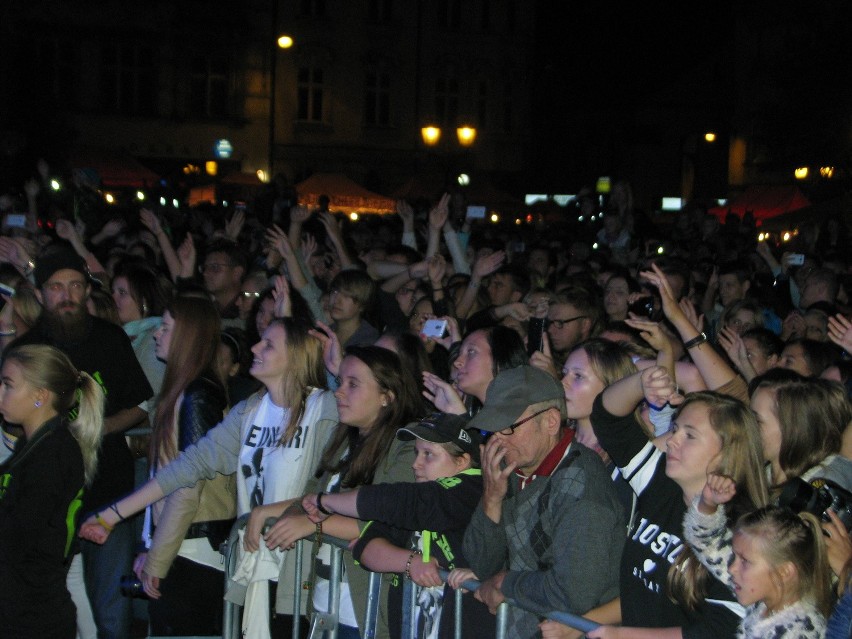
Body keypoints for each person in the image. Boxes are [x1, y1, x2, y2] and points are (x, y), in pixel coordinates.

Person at [79, 318, 338, 638]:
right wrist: (112, 514)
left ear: (297, 357)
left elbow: (336, 486)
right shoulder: (251, 410)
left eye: (268, 344)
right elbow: (187, 467)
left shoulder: (323, 408)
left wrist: (337, 370)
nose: (255, 347)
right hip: (256, 565)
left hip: (301, 568)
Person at [6, 245, 154, 639]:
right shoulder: (27, 350)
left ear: (87, 291)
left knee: (110, 613)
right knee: (50, 607)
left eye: (74, 285)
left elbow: (141, 404)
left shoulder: (110, 339)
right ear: (40, 294)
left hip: (108, 492)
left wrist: (97, 428)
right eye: (56, 287)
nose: (66, 295)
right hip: (47, 503)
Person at [581, 369, 768, 639]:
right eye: (675, 429)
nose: (672, 440)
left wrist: (625, 636)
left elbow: (720, 629)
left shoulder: (741, 531)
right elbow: (607, 418)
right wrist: (640, 382)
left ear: (728, 452)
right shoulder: (661, 484)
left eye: (689, 436)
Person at [258, 345, 422, 639]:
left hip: (363, 609)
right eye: (340, 382)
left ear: (387, 395)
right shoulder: (344, 439)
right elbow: (309, 495)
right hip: (325, 601)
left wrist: (311, 522)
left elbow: (382, 519)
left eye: (353, 384)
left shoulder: (407, 447)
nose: (338, 391)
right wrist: (265, 513)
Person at [460, 365, 625, 639]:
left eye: (508, 427)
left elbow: (573, 592)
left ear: (550, 421)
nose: (497, 438)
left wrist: (506, 583)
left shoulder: (582, 486)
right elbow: (480, 565)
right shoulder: (511, 468)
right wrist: (492, 499)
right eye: (491, 428)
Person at [301, 411, 495, 639]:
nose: (415, 464)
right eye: (416, 453)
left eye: (428, 455)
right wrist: (410, 562)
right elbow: (366, 547)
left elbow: (402, 503)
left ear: (461, 461)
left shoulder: (473, 490)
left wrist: (326, 502)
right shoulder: (417, 500)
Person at [135, 295, 235, 636]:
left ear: (188, 336)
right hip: (183, 546)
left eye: (165, 327)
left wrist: (158, 557)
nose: (156, 335)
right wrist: (153, 550)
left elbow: (188, 484)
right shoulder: (187, 392)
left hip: (194, 552)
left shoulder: (198, 395)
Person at [0, 344, 104, 639]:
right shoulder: (34, 446)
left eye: (8, 385)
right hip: (23, 609)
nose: (0, 393)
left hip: (31, 617)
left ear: (39, 396)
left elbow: (17, 536)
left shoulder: (53, 453)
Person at [684, 474, 831, 638]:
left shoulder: (798, 633)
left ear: (784, 572)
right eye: (735, 556)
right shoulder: (764, 596)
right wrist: (708, 502)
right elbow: (709, 544)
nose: (732, 568)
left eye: (745, 561)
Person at [749, 370, 852, 493]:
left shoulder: (818, 488)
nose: (746, 426)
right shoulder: (760, 475)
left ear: (791, 428)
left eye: (757, 420)